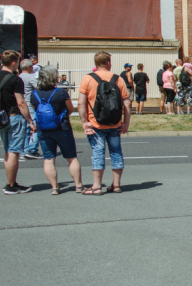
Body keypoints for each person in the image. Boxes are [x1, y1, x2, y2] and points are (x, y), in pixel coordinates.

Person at [78, 51, 131, 195]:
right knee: (116, 153)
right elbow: (127, 103)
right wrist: (126, 122)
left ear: (96, 64)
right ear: (108, 63)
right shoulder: (118, 79)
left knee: (97, 153)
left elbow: (81, 103)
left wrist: (84, 122)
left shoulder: (88, 79)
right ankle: (117, 185)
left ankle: (96, 186)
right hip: (115, 124)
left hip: (96, 124)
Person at [30, 66, 82, 195]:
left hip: (43, 129)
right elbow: (70, 109)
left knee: (49, 158)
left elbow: (35, 109)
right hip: (62, 127)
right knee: (71, 157)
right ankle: (78, 185)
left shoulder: (34, 94)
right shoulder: (61, 93)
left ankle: (54, 187)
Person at [0, 50, 36, 194]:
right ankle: (10, 185)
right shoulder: (15, 80)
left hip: (0, 117)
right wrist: (30, 121)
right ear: (13, 63)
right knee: (14, 151)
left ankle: (11, 182)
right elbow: (21, 103)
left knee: (7, 151)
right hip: (14, 117)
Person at [18, 59, 42, 160]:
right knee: (35, 127)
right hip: (29, 105)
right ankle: (32, 149)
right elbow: (38, 87)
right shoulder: (30, 77)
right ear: (28, 67)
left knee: (25, 129)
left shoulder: (18, 77)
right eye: (32, 66)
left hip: (21, 106)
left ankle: (24, 150)